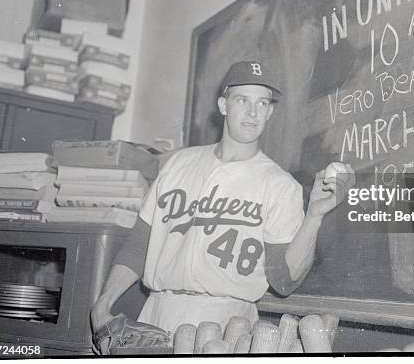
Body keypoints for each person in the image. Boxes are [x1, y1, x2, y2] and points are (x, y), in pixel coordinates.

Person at [90, 60, 355, 351]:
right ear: (223, 105)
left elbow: (284, 280)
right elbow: (139, 245)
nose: (253, 112)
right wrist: (102, 304)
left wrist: (314, 216)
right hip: (158, 312)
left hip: (227, 325)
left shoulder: (280, 185)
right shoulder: (178, 164)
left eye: (262, 103)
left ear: (270, 111)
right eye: (243, 100)